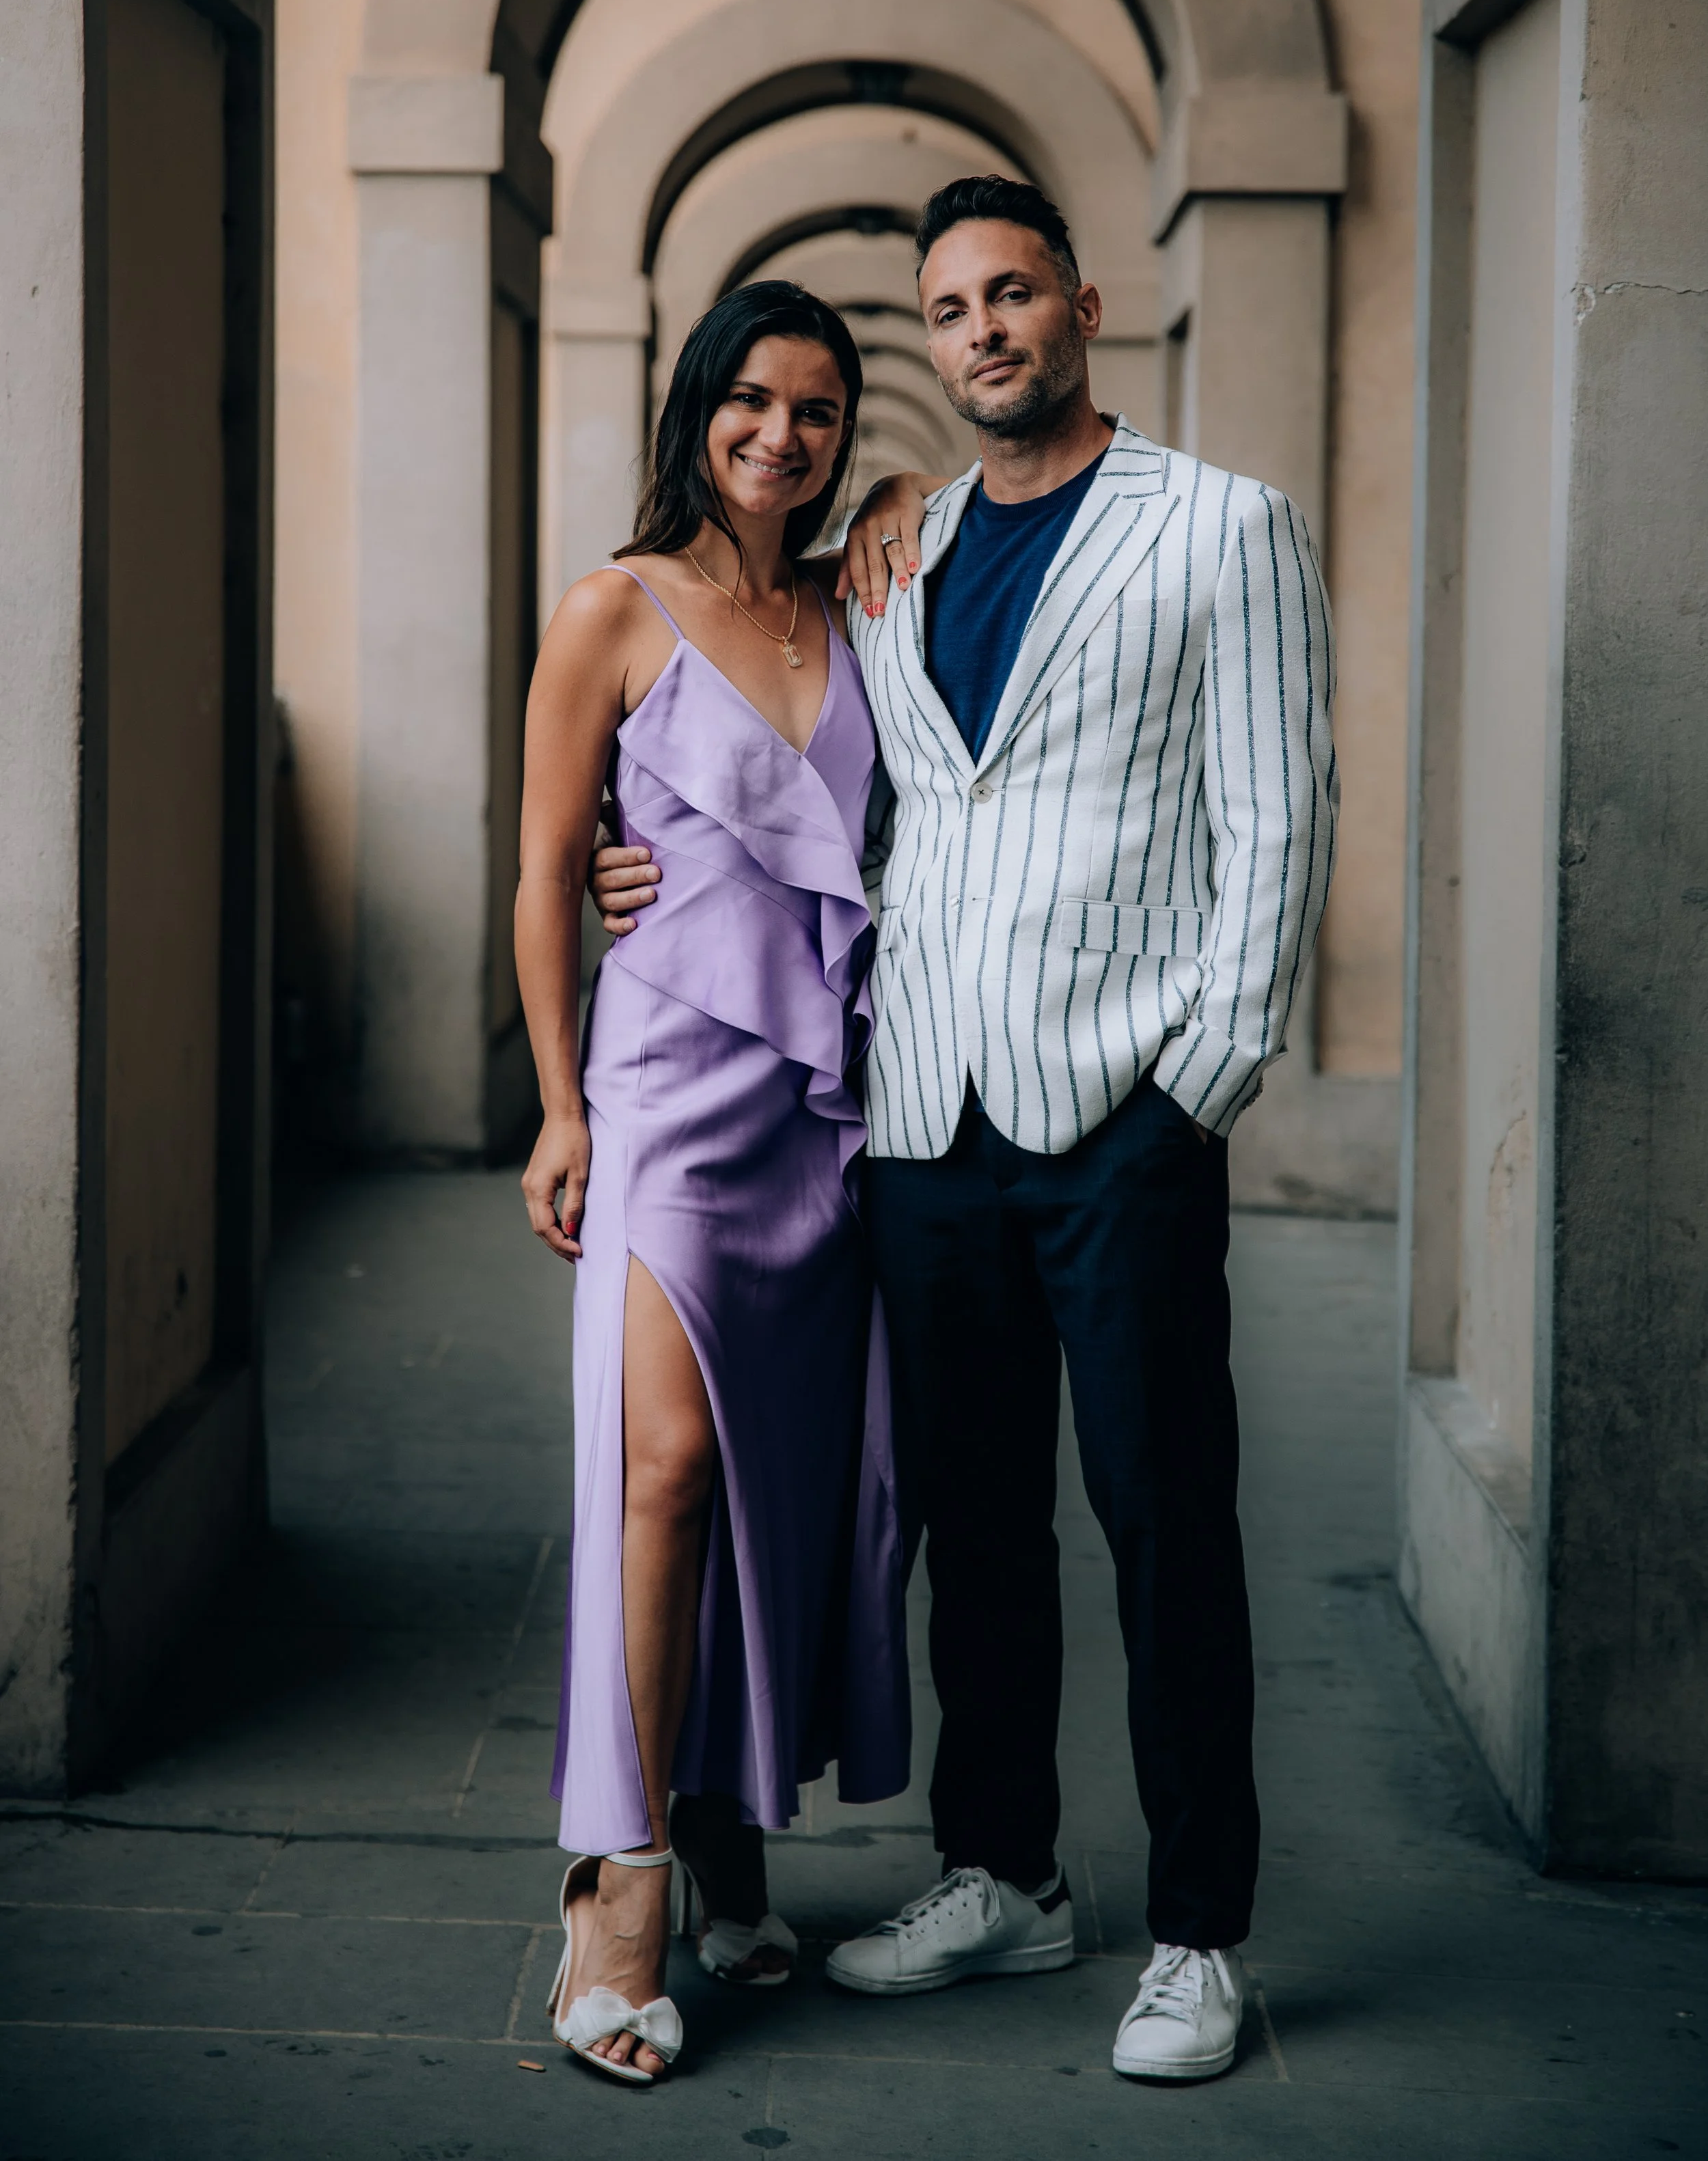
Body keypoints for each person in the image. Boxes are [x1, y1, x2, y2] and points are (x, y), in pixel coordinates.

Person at [592, 175, 1338, 2084]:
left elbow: (1274, 818)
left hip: (1118, 1116)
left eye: (1014, 292)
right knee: (972, 1522)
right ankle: (1006, 1869)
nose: (984, 326)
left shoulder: (1218, 526)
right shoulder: (885, 553)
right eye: (949, 305)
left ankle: (1195, 1931)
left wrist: (1200, 1083)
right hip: (920, 1114)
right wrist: (639, 873)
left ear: (1081, 305)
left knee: (1164, 1514)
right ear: (929, 342)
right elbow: (804, 775)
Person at [516, 281, 909, 2085]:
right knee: (661, 1463)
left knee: (784, 1491)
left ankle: (738, 1818)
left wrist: (909, 502)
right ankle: (624, 1881)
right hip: (662, 1093)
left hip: (822, 1109)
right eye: (750, 400)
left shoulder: (852, 601)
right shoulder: (608, 604)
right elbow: (542, 876)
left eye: (819, 410)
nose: (782, 434)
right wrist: (555, 1105)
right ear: (695, 410)